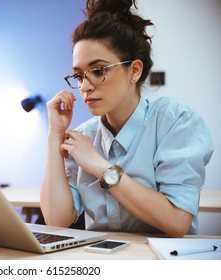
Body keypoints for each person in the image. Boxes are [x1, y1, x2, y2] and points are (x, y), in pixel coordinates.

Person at [40, 0, 213, 238]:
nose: (85, 87)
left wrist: (100, 167)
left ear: (134, 70)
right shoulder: (83, 137)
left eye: (99, 70)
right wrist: (54, 134)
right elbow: (56, 220)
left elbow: (177, 221)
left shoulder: (175, 121)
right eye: (79, 75)